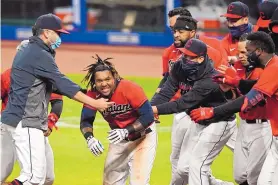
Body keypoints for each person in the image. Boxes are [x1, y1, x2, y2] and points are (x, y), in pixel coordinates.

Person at [0, 13, 113, 185]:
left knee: (40, 177)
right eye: (57, 33)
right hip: (26, 119)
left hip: (21, 119)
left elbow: (56, 85)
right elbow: (63, 83)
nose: (60, 37)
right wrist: (95, 103)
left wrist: (87, 92)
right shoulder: (38, 54)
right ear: (46, 33)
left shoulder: (32, 50)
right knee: (33, 178)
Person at [189, 31, 278, 185]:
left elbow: (247, 99)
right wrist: (236, 82)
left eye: (248, 51)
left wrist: (212, 111)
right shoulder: (273, 65)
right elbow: (254, 87)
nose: (242, 56)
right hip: (267, 132)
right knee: (249, 178)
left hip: (266, 129)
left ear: (259, 52)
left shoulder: (273, 69)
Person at [151, 38, 236, 185]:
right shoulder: (179, 67)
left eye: (190, 57)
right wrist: (150, 108)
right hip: (198, 120)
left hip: (219, 123)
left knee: (198, 166)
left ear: (201, 58)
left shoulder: (210, 79)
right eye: (184, 55)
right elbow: (166, 91)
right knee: (183, 169)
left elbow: (181, 104)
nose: (185, 59)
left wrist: (155, 109)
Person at [80, 55, 156, 185]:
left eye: (107, 79)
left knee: (139, 183)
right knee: (110, 182)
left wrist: (126, 131)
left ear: (114, 77)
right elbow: (86, 120)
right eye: (99, 81)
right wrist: (89, 138)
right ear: (94, 82)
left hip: (143, 138)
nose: (104, 84)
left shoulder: (130, 88)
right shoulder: (93, 95)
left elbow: (148, 116)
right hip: (119, 139)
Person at [222, 33, 272, 185]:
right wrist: (225, 89)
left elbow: (252, 97)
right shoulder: (237, 68)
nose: (240, 56)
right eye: (238, 52)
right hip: (243, 125)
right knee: (240, 176)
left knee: (254, 178)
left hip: (262, 126)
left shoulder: (264, 70)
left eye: (244, 52)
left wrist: (237, 83)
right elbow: (233, 98)